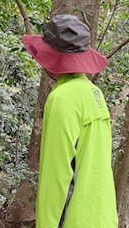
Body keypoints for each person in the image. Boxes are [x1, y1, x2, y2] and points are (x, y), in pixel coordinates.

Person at [22, 15, 118, 227]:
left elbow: (58, 176)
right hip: (103, 217)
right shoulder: (95, 94)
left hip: (74, 220)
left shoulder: (62, 98)